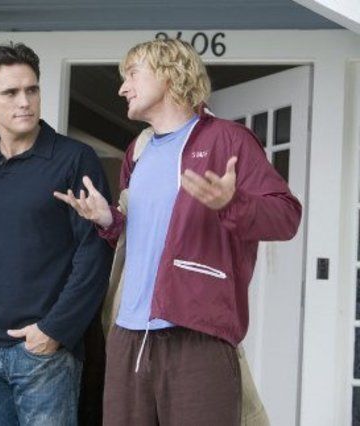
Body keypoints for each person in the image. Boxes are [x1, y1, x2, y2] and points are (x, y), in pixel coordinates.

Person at [55, 39, 301, 425]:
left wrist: (232, 202)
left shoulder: (228, 140)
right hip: (127, 335)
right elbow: (149, 238)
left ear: (169, 74)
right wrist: (109, 222)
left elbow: (286, 217)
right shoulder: (137, 150)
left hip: (197, 333)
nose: (122, 88)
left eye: (132, 74)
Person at [0, 42, 112, 425]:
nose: (25, 102)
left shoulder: (75, 159)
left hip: (44, 351)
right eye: (10, 92)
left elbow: (94, 252)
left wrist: (53, 331)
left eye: (32, 89)